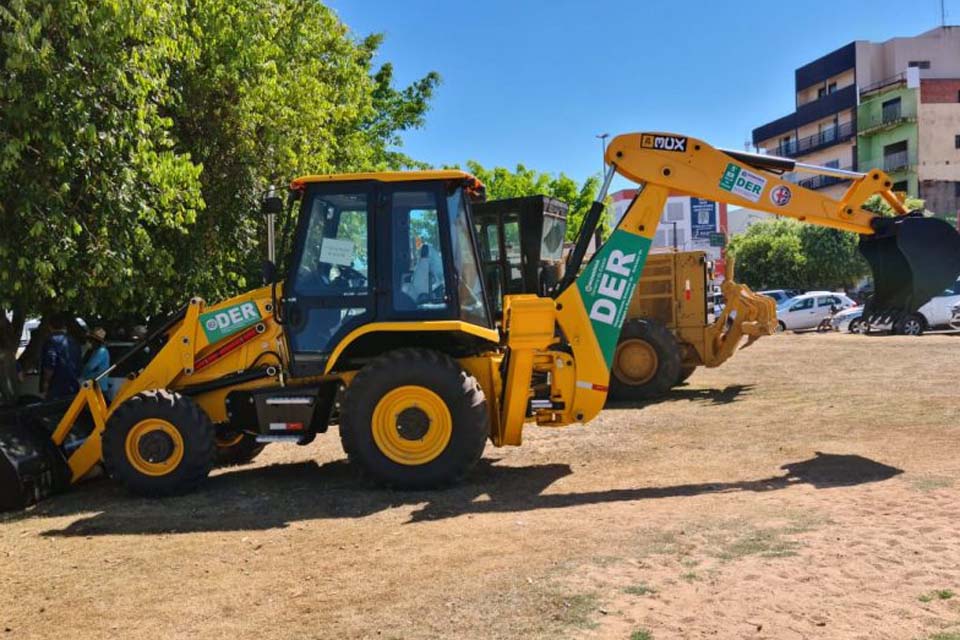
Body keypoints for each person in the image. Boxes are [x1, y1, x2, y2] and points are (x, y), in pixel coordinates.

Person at [40, 315, 82, 399]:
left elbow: (50, 363)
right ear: (64, 326)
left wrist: (45, 384)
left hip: (56, 387)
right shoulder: (74, 341)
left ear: (50, 327)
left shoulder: (51, 342)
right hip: (73, 385)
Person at [80, 327, 110, 391]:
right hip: (92, 386)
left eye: (91, 340)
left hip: (98, 387)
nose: (89, 342)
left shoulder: (102, 351)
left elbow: (90, 367)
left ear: (97, 341)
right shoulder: (95, 351)